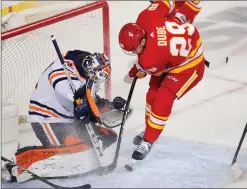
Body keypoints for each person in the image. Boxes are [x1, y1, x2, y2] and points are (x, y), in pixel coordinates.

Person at [2, 50, 132, 182]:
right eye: (98, 76)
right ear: (91, 69)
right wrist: (82, 103)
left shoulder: (86, 73)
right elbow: (70, 95)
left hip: (69, 119)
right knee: (71, 152)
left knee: (105, 138)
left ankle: (83, 162)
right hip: (47, 119)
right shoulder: (63, 71)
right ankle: (16, 167)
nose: (98, 81)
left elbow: (90, 103)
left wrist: (112, 106)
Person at [118, 0, 205, 161]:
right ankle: (149, 130)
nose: (134, 52)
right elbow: (167, 2)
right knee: (151, 94)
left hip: (189, 63)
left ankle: (148, 140)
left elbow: (146, 68)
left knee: (162, 98)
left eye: (134, 49)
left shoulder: (151, 60)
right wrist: (182, 13)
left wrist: (136, 70)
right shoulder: (146, 16)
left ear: (142, 41)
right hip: (182, 39)